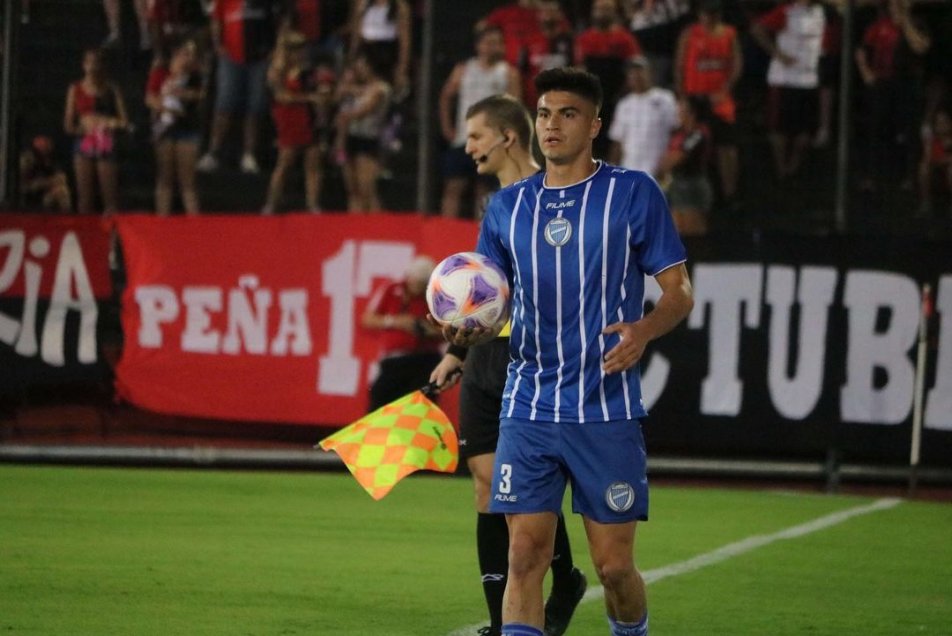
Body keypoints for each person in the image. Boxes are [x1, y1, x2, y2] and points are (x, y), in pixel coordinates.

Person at [445, 67, 694, 636]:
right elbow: (493, 307)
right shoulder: (507, 209)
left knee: (613, 567)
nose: (552, 125)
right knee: (524, 557)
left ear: (595, 125)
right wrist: (464, 330)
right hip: (528, 405)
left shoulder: (633, 193)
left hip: (604, 408)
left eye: (568, 114)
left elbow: (679, 294)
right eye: (544, 114)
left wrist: (643, 330)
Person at [429, 94, 587, 636]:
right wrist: (456, 349)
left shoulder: (555, 198)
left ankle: (563, 578)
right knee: (483, 481)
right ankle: (504, 622)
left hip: (533, 361)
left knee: (515, 487)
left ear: (507, 137)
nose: (468, 146)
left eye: (475, 135)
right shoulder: (495, 206)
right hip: (488, 354)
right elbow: (486, 294)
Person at [439, 25, 522, 218]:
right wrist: (447, 127)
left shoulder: (508, 73)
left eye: (498, 43)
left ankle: (480, 237)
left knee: (484, 191)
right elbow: (446, 96)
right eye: (489, 43)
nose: (494, 47)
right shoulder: (463, 69)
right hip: (464, 138)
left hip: (492, 143)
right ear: (479, 46)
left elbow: (515, 109)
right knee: (453, 187)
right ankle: (444, 233)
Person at [854, 0, 931, 192]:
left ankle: (909, 176)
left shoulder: (918, 24)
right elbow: (862, 50)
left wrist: (906, 23)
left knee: (909, 130)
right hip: (882, 82)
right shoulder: (879, 26)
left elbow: (920, 47)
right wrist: (867, 74)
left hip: (907, 84)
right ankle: (874, 175)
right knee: (876, 128)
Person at [198, 0, 280, 175]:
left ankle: (249, 154)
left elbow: (278, 21)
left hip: (260, 57)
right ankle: (213, 152)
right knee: (224, 104)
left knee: (255, 107)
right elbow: (216, 20)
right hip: (231, 56)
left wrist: (274, 50)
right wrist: (218, 44)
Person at [674, 0, 741, 206]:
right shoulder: (690, 34)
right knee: (690, 145)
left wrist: (725, 89)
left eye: (713, 14)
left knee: (726, 147)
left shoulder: (729, 34)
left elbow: (736, 64)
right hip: (695, 98)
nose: (709, 18)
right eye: (706, 13)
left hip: (719, 99)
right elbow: (680, 65)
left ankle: (730, 195)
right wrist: (682, 97)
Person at [750, 0, 826, 181]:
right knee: (779, 128)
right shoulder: (786, 12)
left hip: (808, 79)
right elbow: (757, 29)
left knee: (805, 130)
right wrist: (778, 54)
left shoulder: (820, 13)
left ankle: (793, 167)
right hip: (784, 79)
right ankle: (781, 169)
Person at [362, 256, 443, 412]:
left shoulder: (436, 295)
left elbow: (450, 330)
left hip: (425, 360)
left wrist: (428, 329)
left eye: (422, 283)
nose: (417, 287)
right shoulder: (392, 290)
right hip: (395, 360)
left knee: (420, 409)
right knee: (380, 405)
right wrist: (396, 322)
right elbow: (367, 319)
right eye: (415, 282)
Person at [262, 30, 329, 214]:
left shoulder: (309, 71)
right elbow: (282, 97)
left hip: (308, 117)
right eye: (297, 50)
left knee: (313, 162)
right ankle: (271, 204)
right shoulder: (276, 71)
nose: (301, 54)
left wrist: (321, 95)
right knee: (285, 162)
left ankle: (313, 204)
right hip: (289, 117)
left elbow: (320, 92)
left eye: (302, 50)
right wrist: (310, 98)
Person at [63, 47, 130, 214]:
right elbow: (68, 124)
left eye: (97, 63)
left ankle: (111, 234)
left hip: (104, 138)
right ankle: (85, 232)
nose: (93, 67)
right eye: (90, 63)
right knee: (85, 196)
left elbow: (124, 120)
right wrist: (84, 128)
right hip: (85, 138)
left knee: (110, 196)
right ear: (84, 65)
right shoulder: (76, 88)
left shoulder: (111, 89)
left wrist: (110, 123)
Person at [574, 0, 642, 158]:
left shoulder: (625, 39)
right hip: (592, 100)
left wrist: (623, 95)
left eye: (606, 9)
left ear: (614, 12)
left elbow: (634, 67)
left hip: (616, 99)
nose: (602, 13)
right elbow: (579, 68)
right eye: (598, 9)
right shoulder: (585, 39)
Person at [145, 39, 205, 215]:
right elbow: (150, 98)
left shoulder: (195, 77)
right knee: (165, 177)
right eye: (185, 54)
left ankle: (195, 225)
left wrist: (184, 94)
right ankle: (163, 221)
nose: (189, 58)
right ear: (176, 54)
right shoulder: (161, 72)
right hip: (165, 126)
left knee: (188, 181)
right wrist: (166, 107)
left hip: (187, 128)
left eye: (192, 55)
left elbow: (199, 96)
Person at [334, 52, 391, 212]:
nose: (360, 70)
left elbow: (366, 109)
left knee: (367, 189)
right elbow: (339, 96)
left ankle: (378, 227)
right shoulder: (357, 88)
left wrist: (346, 116)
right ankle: (355, 224)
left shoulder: (381, 88)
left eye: (363, 66)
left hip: (368, 140)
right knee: (353, 190)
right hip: (348, 140)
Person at [607, 56, 678, 176]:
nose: (636, 75)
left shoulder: (665, 98)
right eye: (632, 72)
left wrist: (669, 162)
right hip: (630, 170)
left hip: (657, 170)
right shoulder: (624, 104)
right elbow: (617, 141)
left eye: (640, 71)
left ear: (650, 73)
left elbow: (676, 132)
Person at [657, 95, 715, 236]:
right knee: (677, 233)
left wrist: (668, 161)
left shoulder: (699, 133)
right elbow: (666, 160)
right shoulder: (679, 134)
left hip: (692, 186)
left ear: (692, 112)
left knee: (693, 233)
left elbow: (678, 157)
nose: (678, 112)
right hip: (676, 185)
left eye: (681, 108)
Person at [348, 0, 412, 97]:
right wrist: (353, 58)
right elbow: (356, 37)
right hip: (366, 51)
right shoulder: (363, 4)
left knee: (380, 90)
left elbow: (405, 42)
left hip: (386, 54)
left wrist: (402, 69)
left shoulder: (399, 7)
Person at [19, 135, 72, 212]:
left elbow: (61, 178)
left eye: (48, 140)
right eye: (43, 140)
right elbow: (22, 186)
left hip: (45, 197)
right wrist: (44, 183)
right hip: (26, 199)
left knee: (61, 191)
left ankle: (66, 221)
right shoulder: (27, 159)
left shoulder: (52, 159)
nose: (47, 143)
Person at [917, 104, 952, 217]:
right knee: (923, 168)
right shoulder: (932, 138)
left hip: (948, 167)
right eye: (938, 123)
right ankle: (926, 202)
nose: (942, 126)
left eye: (945, 122)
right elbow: (927, 158)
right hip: (937, 166)